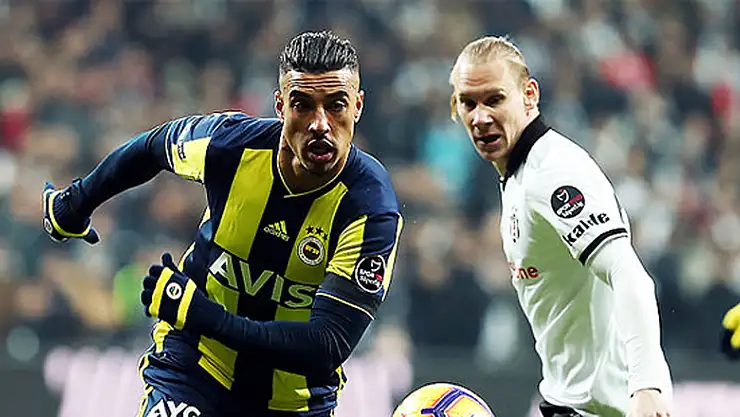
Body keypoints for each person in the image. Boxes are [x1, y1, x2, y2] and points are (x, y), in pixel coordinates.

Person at [41, 30, 403, 417]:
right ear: (280, 106)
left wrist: (202, 315)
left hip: (296, 402)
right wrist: (74, 203)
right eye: (302, 104)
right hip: (194, 371)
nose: (320, 123)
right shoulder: (230, 145)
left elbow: (326, 346)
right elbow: (152, 147)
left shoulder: (371, 208)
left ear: (358, 106)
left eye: (336, 105)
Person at [448, 35, 673, 417]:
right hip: (567, 403)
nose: (480, 117)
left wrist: (647, 384)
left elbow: (629, 274)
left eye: (494, 99)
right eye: (469, 103)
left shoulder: (553, 173)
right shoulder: (518, 175)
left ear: (529, 95)